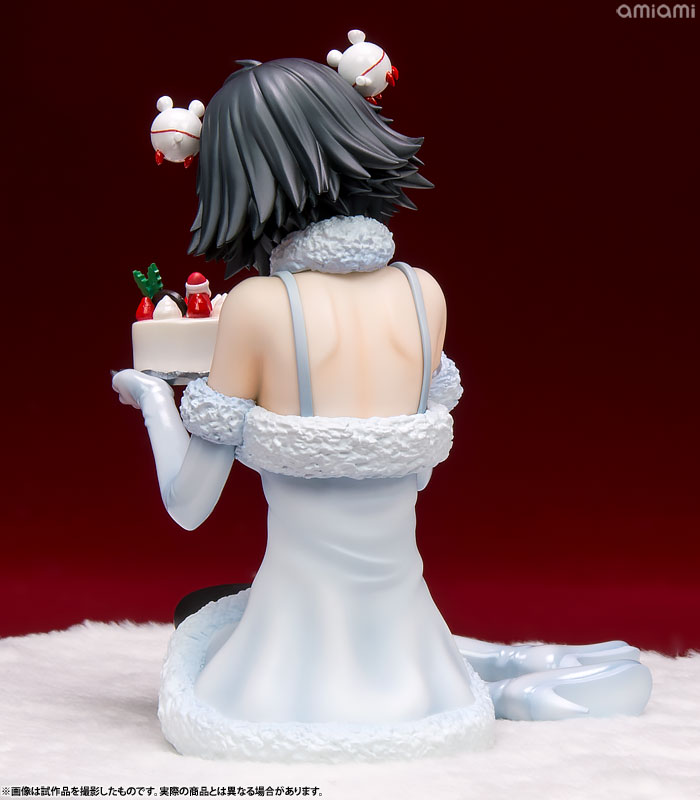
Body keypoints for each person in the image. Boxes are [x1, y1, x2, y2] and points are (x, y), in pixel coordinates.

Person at [113, 58, 650, 761]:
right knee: (352, 627)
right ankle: (511, 679)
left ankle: (496, 681)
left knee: (206, 616)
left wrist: (154, 397)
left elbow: (190, 505)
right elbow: (409, 468)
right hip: (410, 631)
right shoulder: (425, 294)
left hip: (292, 642)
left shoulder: (259, 307)